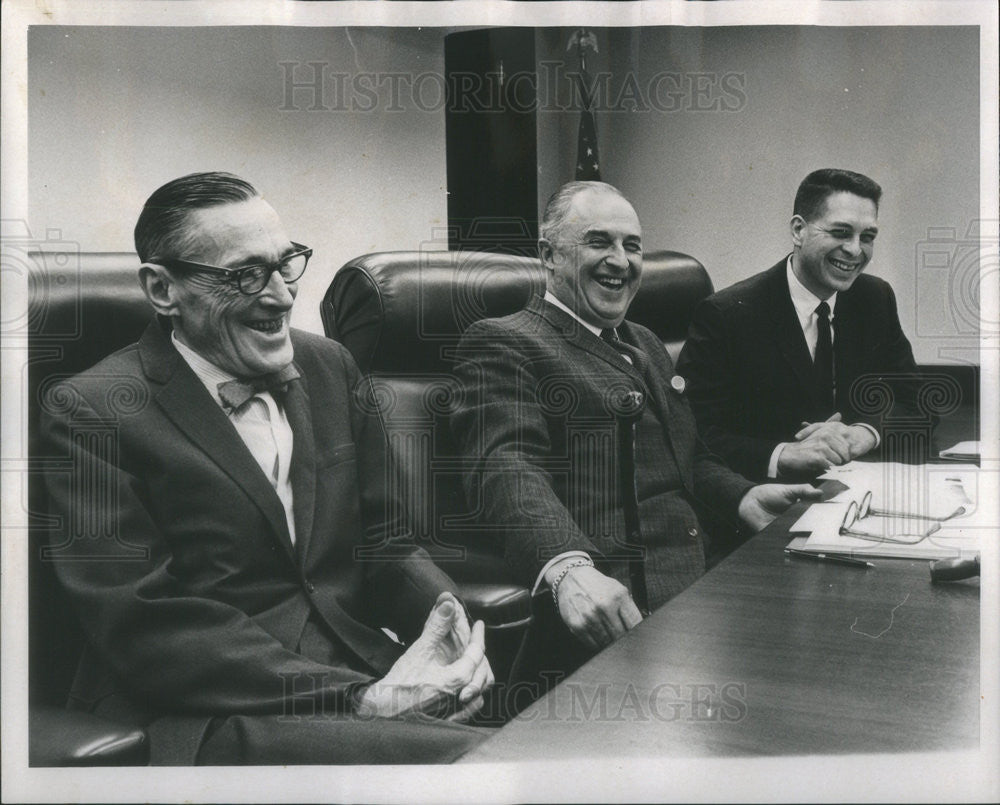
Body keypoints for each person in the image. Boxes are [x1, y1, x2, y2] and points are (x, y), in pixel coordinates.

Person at [40, 172, 493, 765]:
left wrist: (450, 625)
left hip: (357, 671)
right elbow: (144, 624)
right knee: (486, 766)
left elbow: (386, 543)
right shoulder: (89, 411)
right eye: (244, 275)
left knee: (534, 748)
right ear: (162, 289)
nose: (281, 295)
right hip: (204, 711)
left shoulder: (330, 365)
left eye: (285, 265)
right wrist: (360, 699)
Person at [450, 181, 819, 678]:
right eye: (599, 242)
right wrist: (568, 569)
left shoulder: (642, 340)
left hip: (707, 588)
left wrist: (744, 497)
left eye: (632, 245)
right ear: (549, 255)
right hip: (621, 611)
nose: (620, 261)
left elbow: (688, 457)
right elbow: (507, 467)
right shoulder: (505, 341)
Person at [677, 168, 921, 483]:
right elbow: (690, 434)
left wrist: (864, 433)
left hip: (857, 487)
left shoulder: (875, 298)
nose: (856, 250)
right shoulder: (727, 314)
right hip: (768, 495)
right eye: (841, 232)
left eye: (868, 237)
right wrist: (782, 454)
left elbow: (917, 402)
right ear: (798, 231)